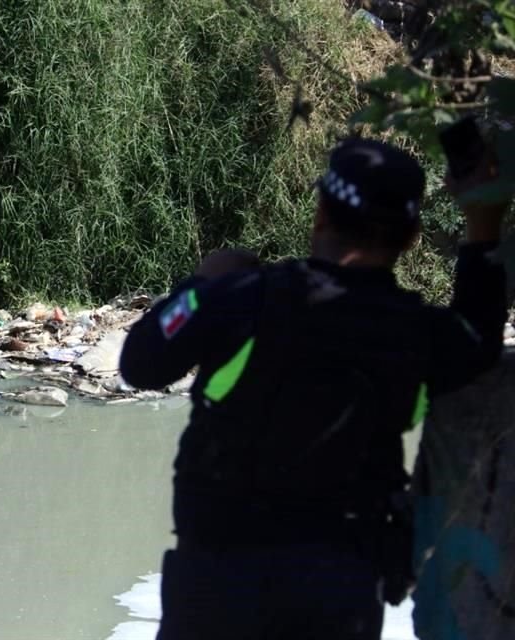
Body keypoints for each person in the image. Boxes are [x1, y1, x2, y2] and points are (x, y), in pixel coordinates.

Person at [119, 136, 508, 640]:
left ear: (321, 213)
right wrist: (483, 222)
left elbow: (141, 364)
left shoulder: (242, 299)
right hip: (339, 594)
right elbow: (478, 336)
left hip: (216, 583)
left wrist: (199, 286)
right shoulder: (417, 332)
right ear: (412, 236)